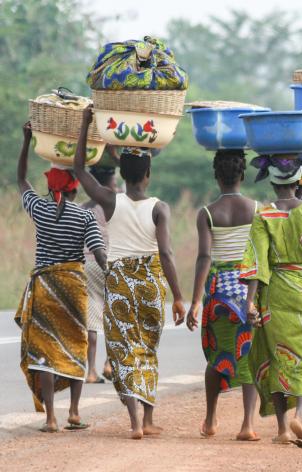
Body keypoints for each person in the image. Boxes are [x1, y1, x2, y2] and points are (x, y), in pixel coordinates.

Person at [73, 108, 186, 440]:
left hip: (119, 279)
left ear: (122, 172)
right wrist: (178, 296)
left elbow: (79, 168)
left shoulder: (110, 201)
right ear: (148, 173)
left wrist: (84, 125)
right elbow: (166, 253)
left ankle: (135, 421)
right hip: (150, 280)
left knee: (123, 350)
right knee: (147, 348)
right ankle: (148, 420)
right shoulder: (159, 207)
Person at [240, 156, 302, 449]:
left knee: (276, 357)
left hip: (275, 293)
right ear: (299, 182)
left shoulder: (264, 216)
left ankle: (283, 428)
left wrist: (250, 302)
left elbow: (257, 261)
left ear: (272, 182)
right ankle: (301, 415)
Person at [16, 121, 107, 433]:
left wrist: (27, 140)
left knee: (45, 352)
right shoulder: (85, 215)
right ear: (74, 187)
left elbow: (21, 179)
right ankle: (75, 412)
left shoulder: (39, 209)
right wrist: (114, 277)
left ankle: (51, 419)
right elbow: (99, 251)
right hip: (73, 287)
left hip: (45, 287)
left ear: (51, 187)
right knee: (75, 346)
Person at [185, 150, 259, 441]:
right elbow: (260, 255)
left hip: (218, 295)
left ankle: (211, 418)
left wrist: (193, 303)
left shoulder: (207, 213)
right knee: (248, 355)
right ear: (242, 175)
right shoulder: (257, 208)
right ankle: (247, 425)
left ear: (216, 175)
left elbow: (204, 257)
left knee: (218, 355)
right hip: (247, 293)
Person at [82, 165, 118, 384]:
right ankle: (109, 364)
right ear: (108, 182)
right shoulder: (117, 203)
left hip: (88, 263)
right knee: (114, 314)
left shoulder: (83, 207)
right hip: (112, 262)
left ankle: (91, 372)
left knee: (93, 317)